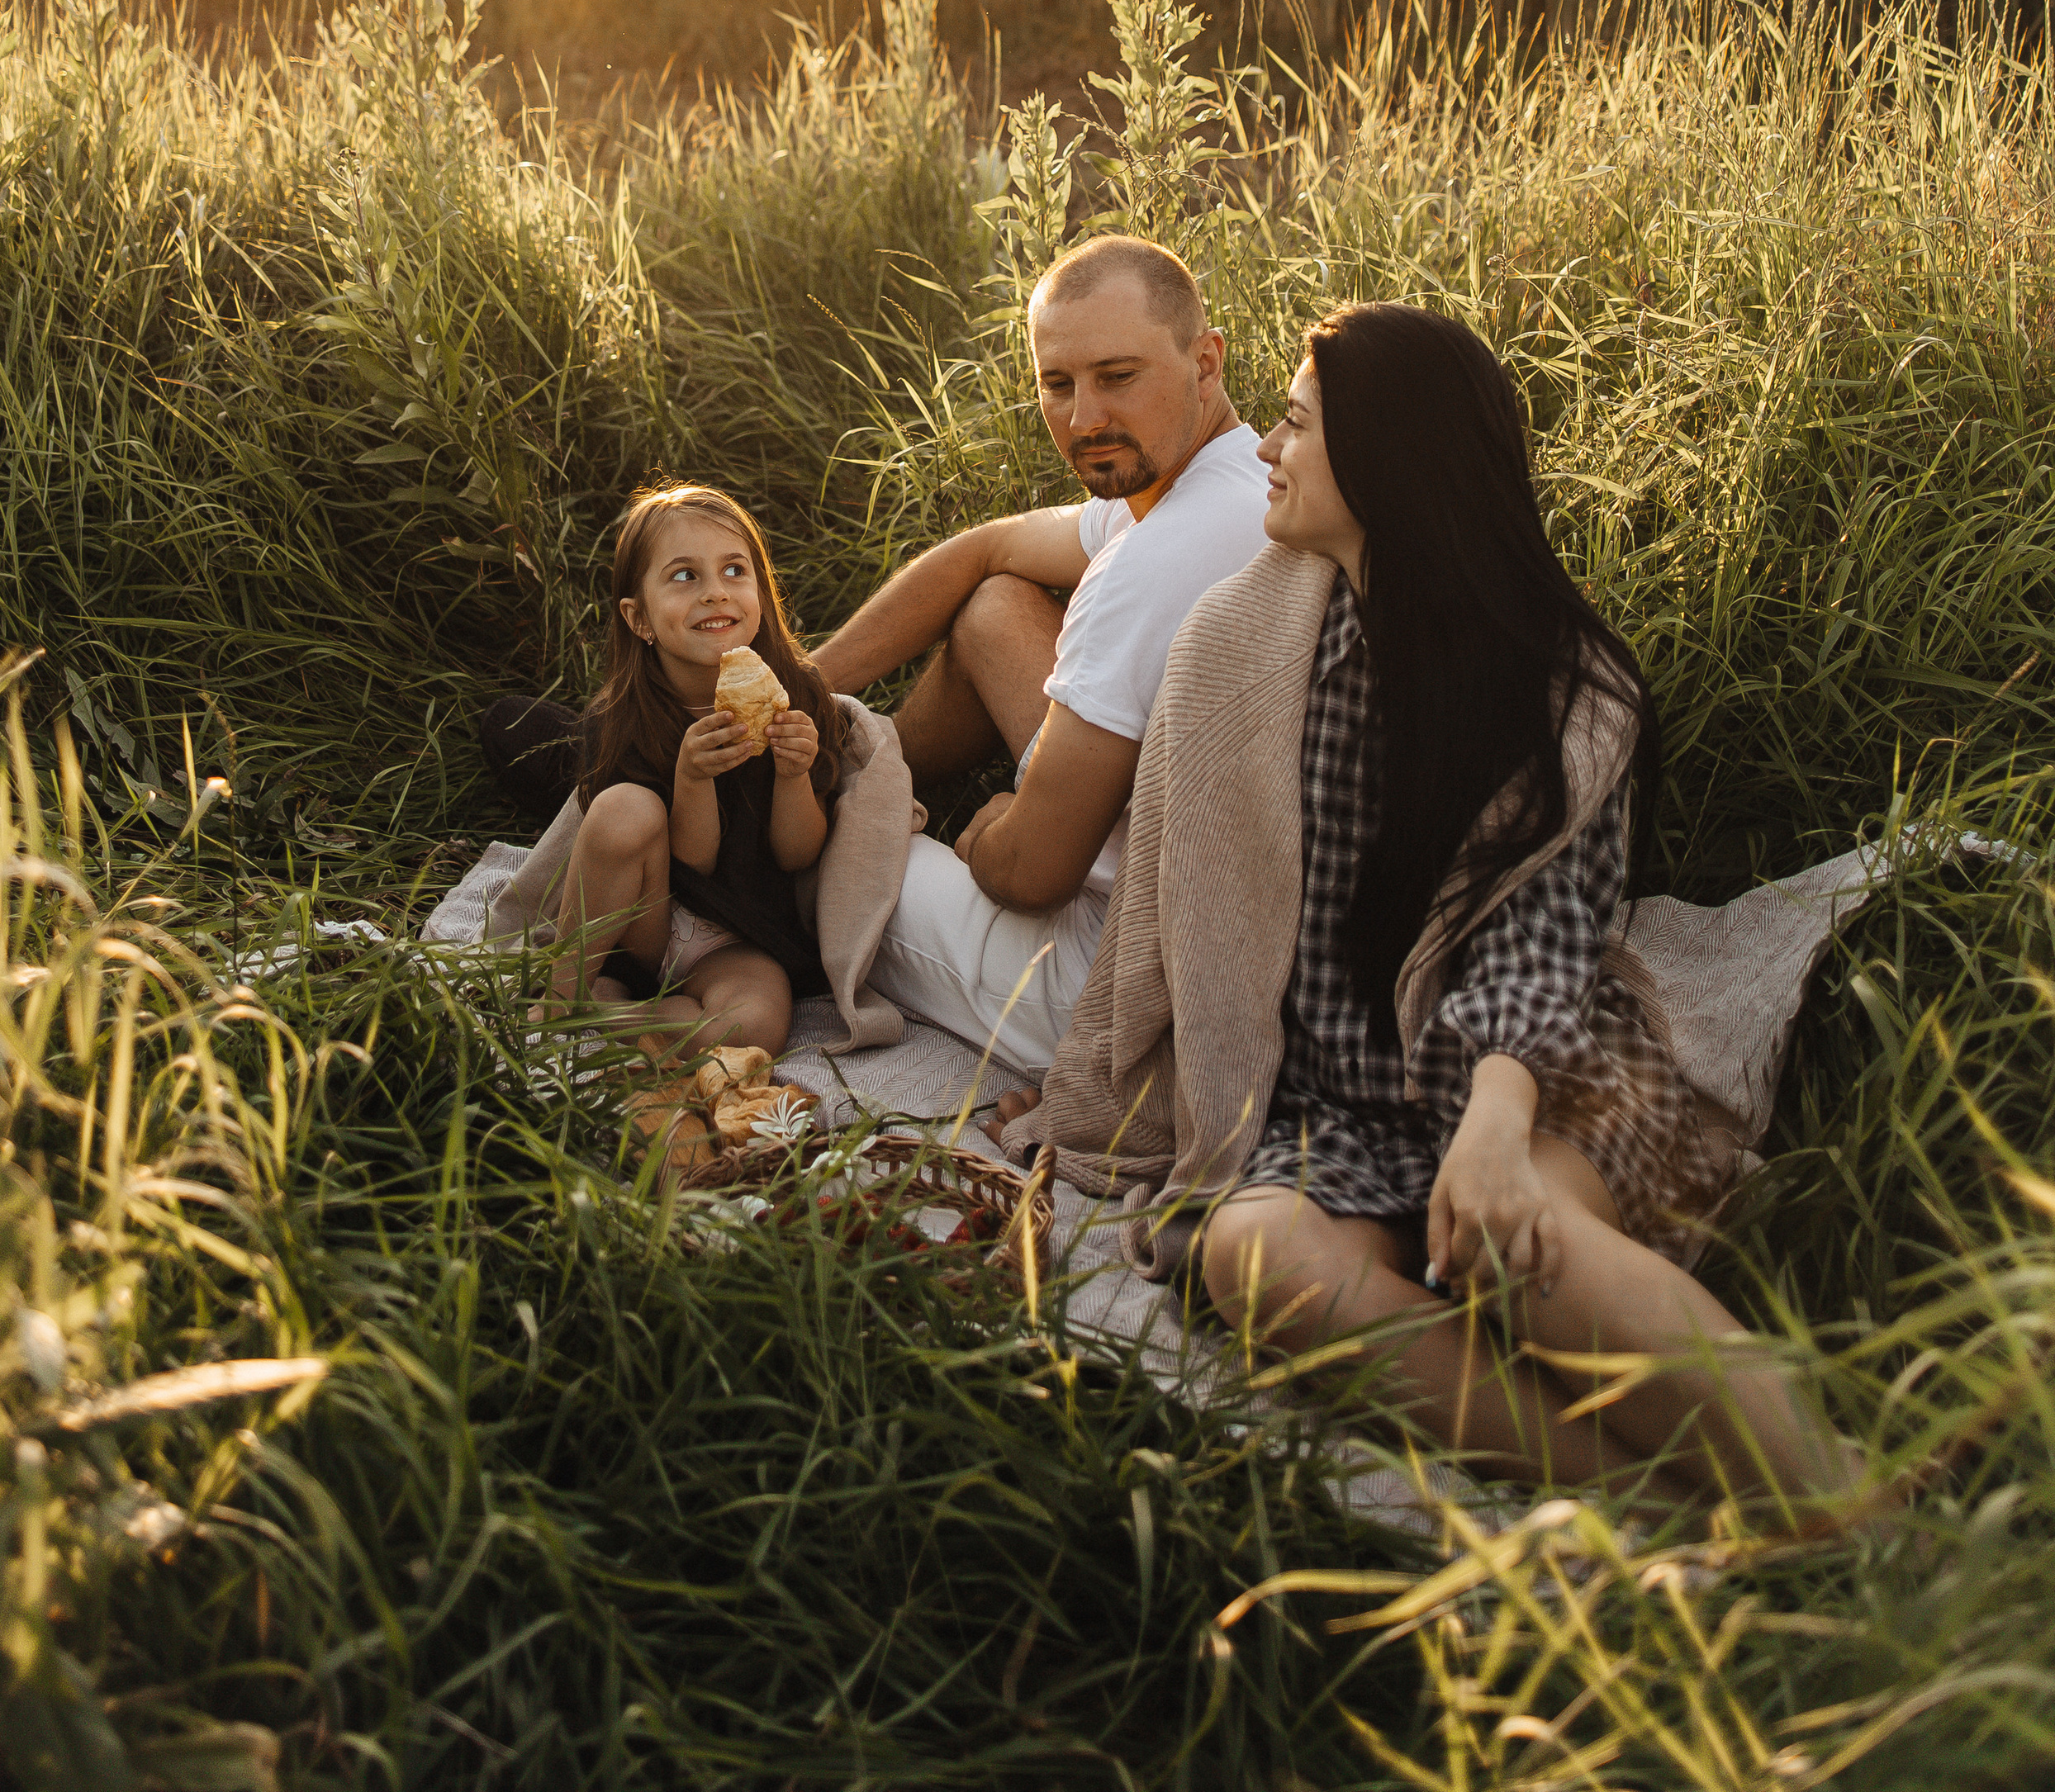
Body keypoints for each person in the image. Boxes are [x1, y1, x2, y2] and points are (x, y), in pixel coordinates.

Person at [1004, 303, 1854, 1509]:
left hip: (1536, 1075)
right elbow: (1187, 910)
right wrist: (1106, 1078)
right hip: (1337, 1098)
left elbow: (1544, 937)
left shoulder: (1565, 681)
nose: (1265, 450)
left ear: (1388, 459)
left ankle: (1857, 1510)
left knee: (1527, 1259)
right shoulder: (1242, 641)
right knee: (1255, 1257)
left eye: (1294, 426)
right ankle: (1652, 1500)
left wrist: (1496, 1130)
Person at [814, 235, 1270, 1072]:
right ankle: (837, 754)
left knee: (831, 853)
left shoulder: (1156, 561)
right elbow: (990, 550)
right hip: (1218, 906)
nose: (1083, 417)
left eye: (1117, 376)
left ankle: (777, 821)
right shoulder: (1240, 479)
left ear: (1205, 361)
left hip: (1116, 986)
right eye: (1057, 384)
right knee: (995, 608)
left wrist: (987, 834)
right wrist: (806, 686)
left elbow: (1030, 874)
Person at [547, 482, 843, 1056]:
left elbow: (798, 855)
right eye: (685, 576)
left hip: (738, 935)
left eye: (734, 571)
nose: (715, 594)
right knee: (623, 808)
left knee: (754, 1029)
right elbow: (693, 861)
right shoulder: (624, 716)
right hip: (647, 918)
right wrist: (692, 778)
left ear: (761, 594)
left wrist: (793, 774)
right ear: (640, 619)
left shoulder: (798, 695)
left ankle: (612, 1014)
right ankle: (562, 994)